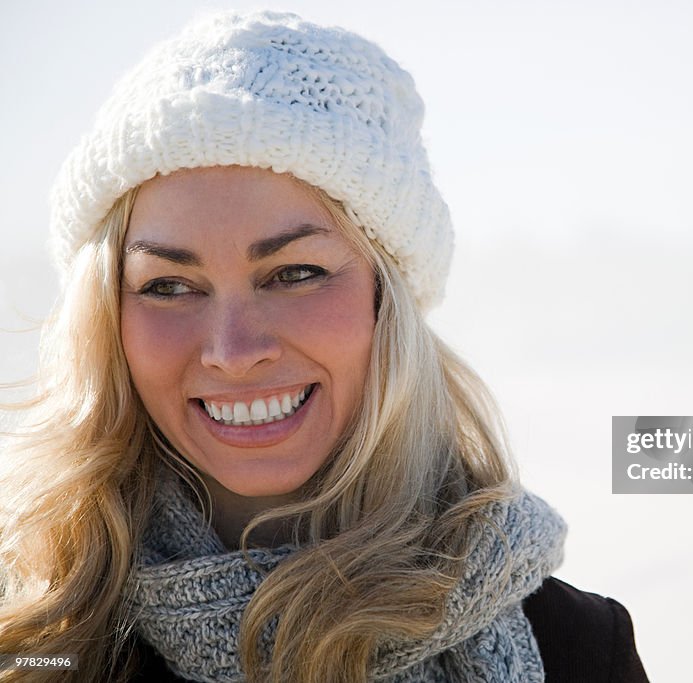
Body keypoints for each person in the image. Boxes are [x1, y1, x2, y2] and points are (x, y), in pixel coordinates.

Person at [0, 10, 648, 682]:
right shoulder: (33, 630)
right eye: (169, 285)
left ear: (383, 298)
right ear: (107, 317)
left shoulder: (574, 648)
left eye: (295, 274)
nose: (231, 349)